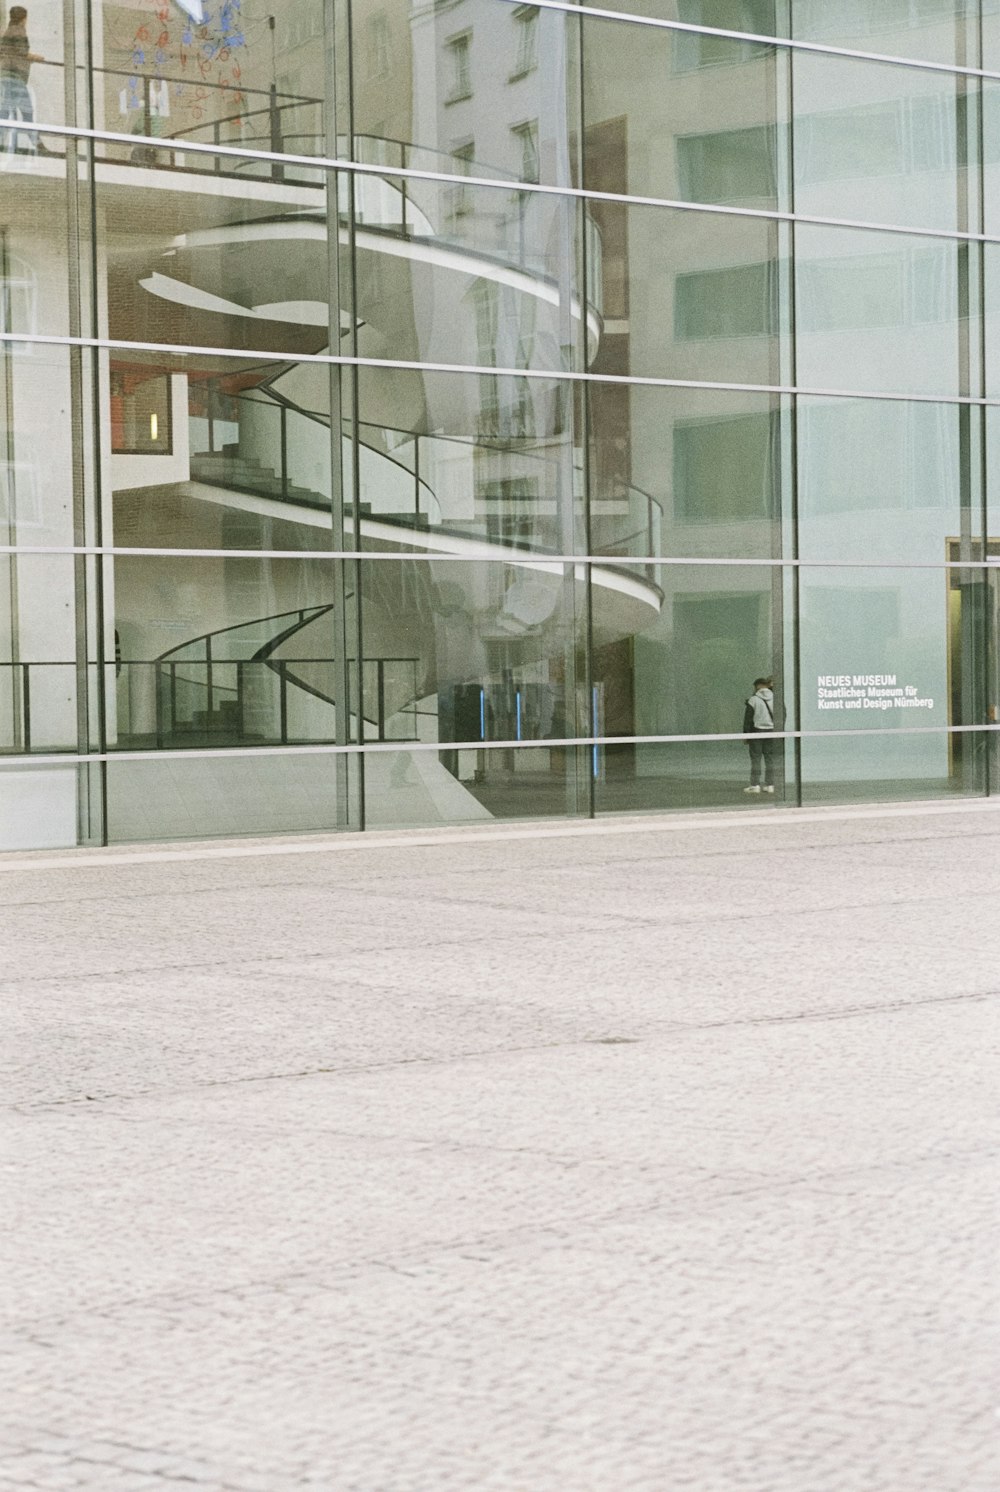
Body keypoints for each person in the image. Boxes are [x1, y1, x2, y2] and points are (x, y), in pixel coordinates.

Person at [0, 7, 44, 156]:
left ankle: (3, 142)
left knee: (5, 111)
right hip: (15, 77)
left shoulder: (8, 32)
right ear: (24, 18)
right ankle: (38, 144)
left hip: (6, 76)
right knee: (26, 111)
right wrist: (34, 57)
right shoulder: (19, 31)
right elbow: (21, 52)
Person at [743, 675, 776, 795]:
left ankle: (755, 785)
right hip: (772, 732)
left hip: (757, 732)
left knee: (756, 758)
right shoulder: (776, 698)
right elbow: (783, 714)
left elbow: (748, 719)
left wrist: (746, 735)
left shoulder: (753, 700)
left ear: (757, 686)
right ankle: (770, 784)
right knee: (770, 758)